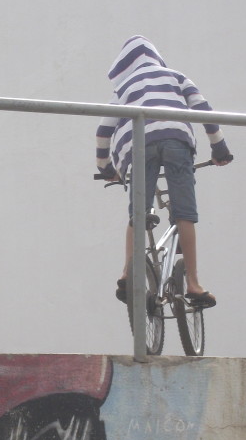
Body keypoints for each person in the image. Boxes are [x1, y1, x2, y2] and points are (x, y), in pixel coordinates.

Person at [95, 35, 232, 308]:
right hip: (176, 142)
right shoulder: (176, 77)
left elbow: (103, 131)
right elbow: (204, 111)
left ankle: (126, 274)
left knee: (138, 213)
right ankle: (193, 283)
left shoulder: (122, 88)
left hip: (139, 146)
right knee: (185, 213)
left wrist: (106, 168)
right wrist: (219, 149)